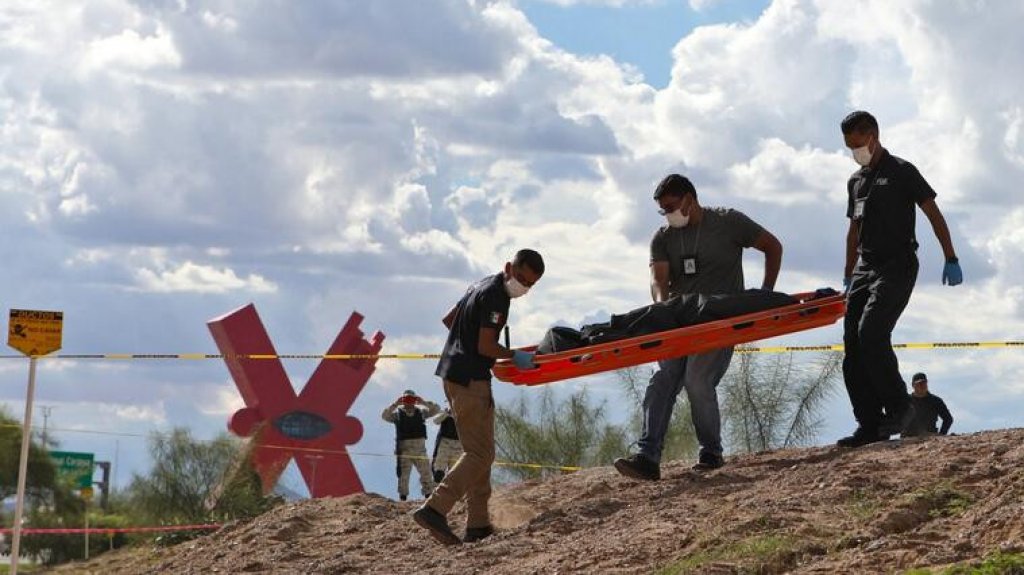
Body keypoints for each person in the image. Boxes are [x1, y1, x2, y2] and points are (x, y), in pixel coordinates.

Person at [614, 174, 783, 480]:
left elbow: (773, 246)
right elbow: (658, 280)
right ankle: (647, 457)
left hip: (720, 321)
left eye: (672, 206)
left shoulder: (728, 221)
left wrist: (763, 297)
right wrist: (664, 309)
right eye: (662, 210)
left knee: (697, 378)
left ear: (690, 199)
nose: (668, 214)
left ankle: (711, 452)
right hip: (679, 322)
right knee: (662, 379)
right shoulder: (663, 238)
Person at [836, 111, 963, 448]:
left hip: (898, 264)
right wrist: (849, 274)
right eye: (849, 146)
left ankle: (899, 408)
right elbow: (853, 231)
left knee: (872, 333)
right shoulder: (855, 181)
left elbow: (933, 214)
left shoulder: (903, 172)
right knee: (851, 344)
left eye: (858, 143)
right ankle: (869, 423)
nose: (854, 151)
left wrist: (951, 257)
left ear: (873, 135)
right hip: (865, 268)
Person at [413, 249, 545, 546]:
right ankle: (435, 507)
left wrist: (466, 340)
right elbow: (486, 346)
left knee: (478, 449)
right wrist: (513, 355)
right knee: (481, 454)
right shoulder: (497, 296)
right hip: (472, 379)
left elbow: (450, 320)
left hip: (452, 374)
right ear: (509, 267)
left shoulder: (480, 285)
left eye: (530, 284)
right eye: (521, 278)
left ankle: (478, 523)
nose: (522, 286)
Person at [381, 390, 441, 501]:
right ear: (402, 400)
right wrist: (395, 404)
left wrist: (423, 402)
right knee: (403, 476)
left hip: (420, 450)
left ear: (415, 400)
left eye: (412, 399)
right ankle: (403, 498)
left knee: (426, 473)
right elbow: (384, 416)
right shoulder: (397, 415)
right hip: (404, 450)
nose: (409, 401)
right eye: (406, 399)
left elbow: (436, 409)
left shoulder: (421, 412)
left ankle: (428, 497)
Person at [903, 372, 953, 437]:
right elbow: (896, 417)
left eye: (924, 383)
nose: (922, 386)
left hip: (930, 438)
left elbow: (948, 419)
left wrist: (941, 435)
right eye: (919, 384)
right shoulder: (906, 401)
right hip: (907, 438)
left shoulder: (936, 401)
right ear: (913, 385)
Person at [431, 406, 463, 484]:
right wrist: (447, 413)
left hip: (458, 446)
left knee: (455, 475)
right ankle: (436, 493)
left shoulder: (465, 413)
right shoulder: (445, 411)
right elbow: (435, 421)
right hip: (444, 444)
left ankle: (453, 494)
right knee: (438, 473)